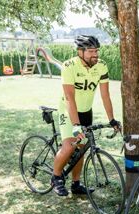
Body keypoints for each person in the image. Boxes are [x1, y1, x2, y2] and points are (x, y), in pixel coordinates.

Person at [51, 35, 120, 196]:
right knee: (70, 145)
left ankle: (76, 184)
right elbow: (69, 97)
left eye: (96, 51)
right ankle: (55, 177)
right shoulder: (69, 66)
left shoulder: (101, 66)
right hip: (68, 110)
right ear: (80, 52)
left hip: (86, 110)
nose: (95, 54)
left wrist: (111, 119)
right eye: (90, 51)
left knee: (81, 148)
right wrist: (75, 125)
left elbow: (105, 95)